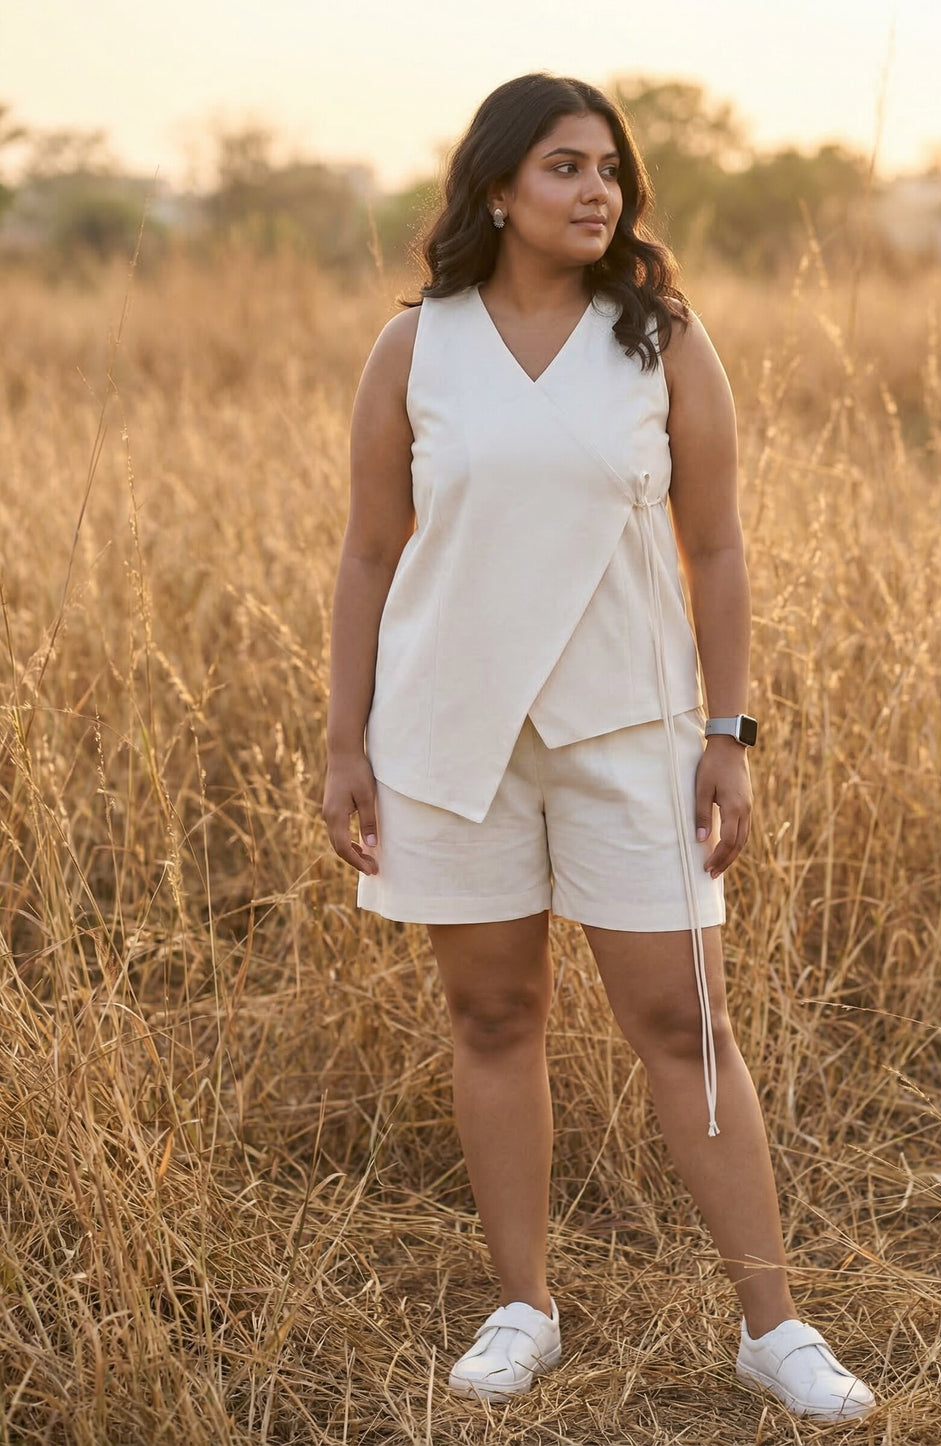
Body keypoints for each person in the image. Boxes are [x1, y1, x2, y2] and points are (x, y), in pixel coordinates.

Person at [322, 72, 876, 1422]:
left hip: (630, 729)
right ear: (498, 186)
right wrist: (345, 739)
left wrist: (727, 732)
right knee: (494, 1014)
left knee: (684, 1021)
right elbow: (373, 549)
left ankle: (773, 1322)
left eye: (610, 170)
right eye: (565, 167)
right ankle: (525, 1304)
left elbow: (720, 546)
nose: (597, 191)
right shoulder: (416, 347)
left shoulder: (664, 339)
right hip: (452, 734)